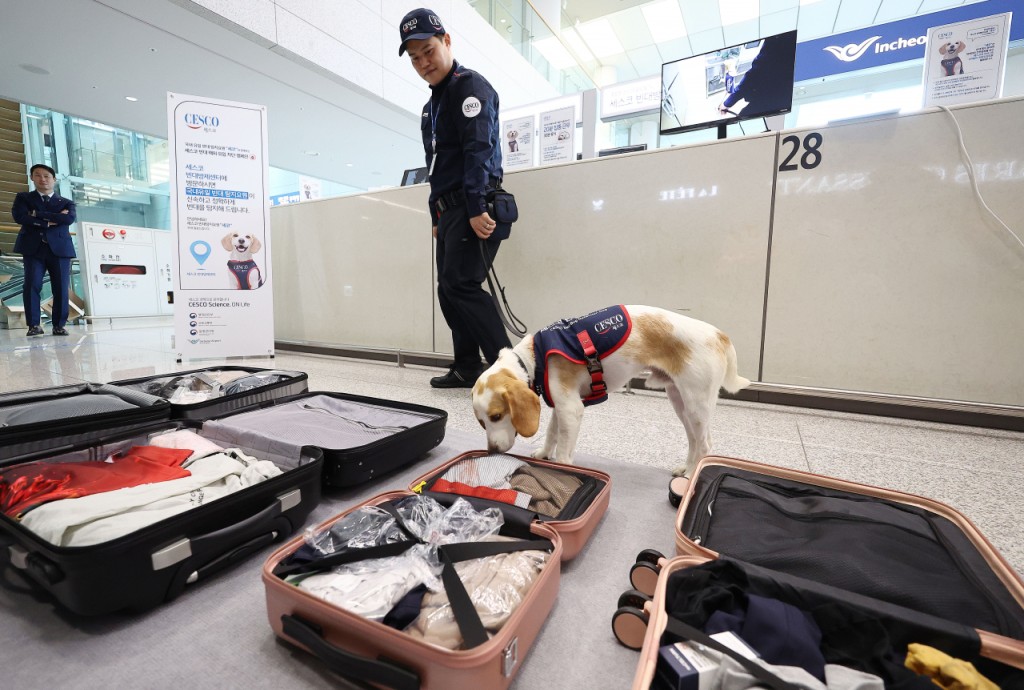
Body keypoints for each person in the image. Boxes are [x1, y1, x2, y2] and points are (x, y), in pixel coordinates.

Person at [399, 8, 512, 389]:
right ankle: (466, 366)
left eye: (428, 51)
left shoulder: (470, 87)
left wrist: (478, 206)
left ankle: (512, 371)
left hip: (473, 203)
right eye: (414, 57)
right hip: (448, 210)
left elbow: (478, 149)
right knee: (448, 289)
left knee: (461, 285)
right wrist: (435, 215)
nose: (422, 63)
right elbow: (435, 167)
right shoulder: (431, 108)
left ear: (447, 41)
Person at [10, 164, 77, 336]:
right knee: (32, 285)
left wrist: (37, 215)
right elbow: (20, 217)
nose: (43, 179)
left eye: (47, 176)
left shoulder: (67, 202)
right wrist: (49, 221)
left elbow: (68, 219)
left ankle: (59, 325)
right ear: (32, 178)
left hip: (60, 249)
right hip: (33, 248)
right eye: (38, 175)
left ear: (54, 179)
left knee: (61, 287)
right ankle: (34, 325)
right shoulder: (23, 198)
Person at [718, 33, 797, 118]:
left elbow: (754, 76)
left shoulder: (776, 41)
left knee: (744, 118)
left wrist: (727, 103)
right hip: (781, 99)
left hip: (769, 99)